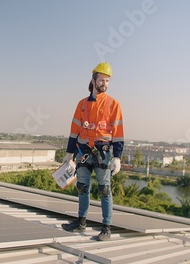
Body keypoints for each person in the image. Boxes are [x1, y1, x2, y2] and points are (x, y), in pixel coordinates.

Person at [61, 62, 124, 241]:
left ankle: (106, 227)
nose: (104, 83)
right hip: (83, 151)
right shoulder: (82, 105)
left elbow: (118, 133)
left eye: (107, 80)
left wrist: (117, 157)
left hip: (103, 152)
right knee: (82, 187)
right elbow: (74, 130)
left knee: (104, 189)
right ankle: (81, 222)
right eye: (102, 80)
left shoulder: (114, 104)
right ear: (93, 80)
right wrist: (69, 152)